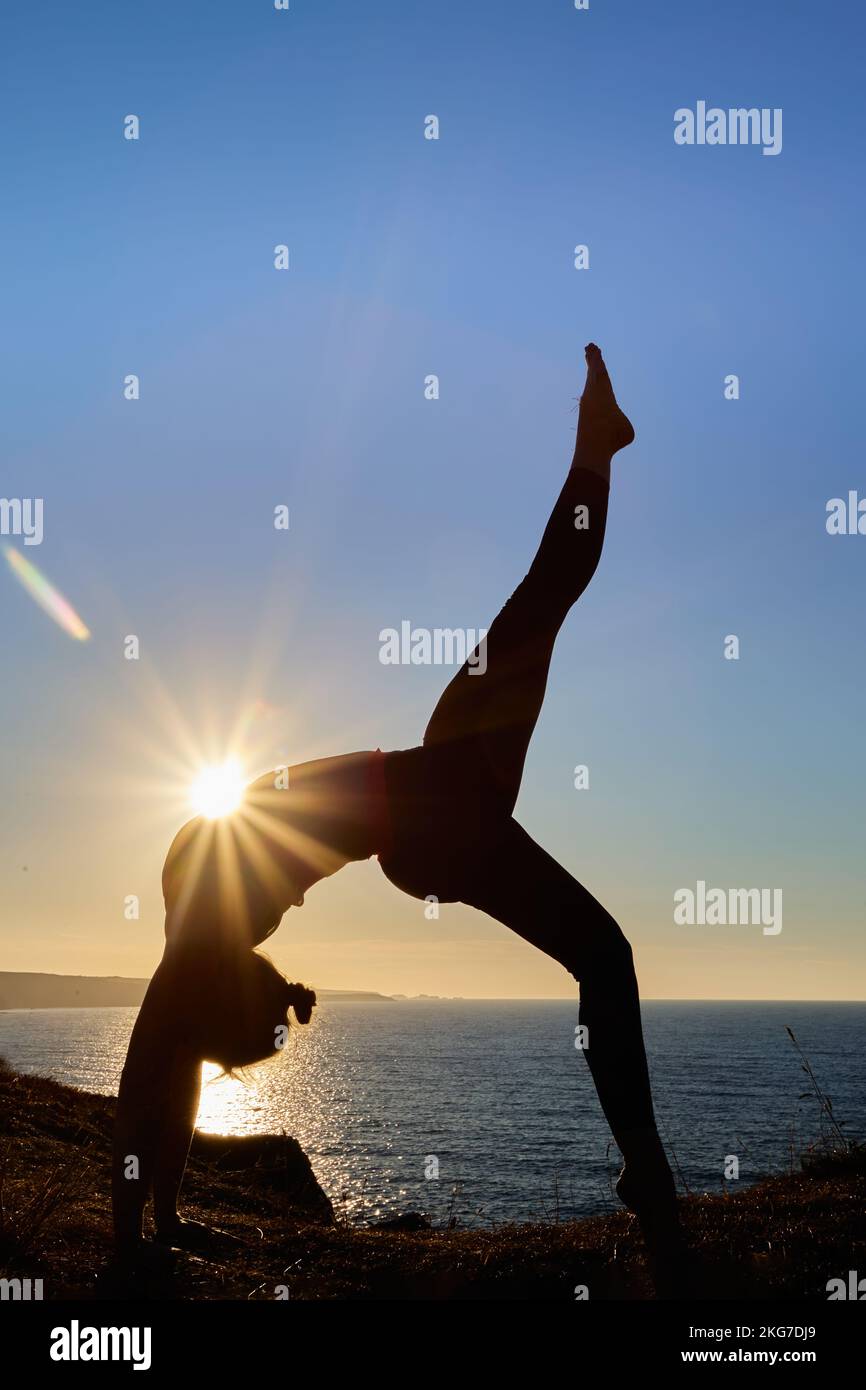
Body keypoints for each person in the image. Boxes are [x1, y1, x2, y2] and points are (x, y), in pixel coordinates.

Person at [112, 343, 682, 1275]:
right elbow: (158, 1061)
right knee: (544, 602)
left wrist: (145, 1229)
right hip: (435, 811)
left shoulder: (209, 882)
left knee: (545, 609)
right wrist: (130, 1234)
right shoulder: (214, 886)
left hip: (431, 814)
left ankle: (645, 1174)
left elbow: (163, 1057)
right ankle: (647, 1174)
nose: (280, 916)